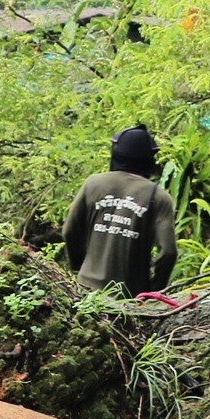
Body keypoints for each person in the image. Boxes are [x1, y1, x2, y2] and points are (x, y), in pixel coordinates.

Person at [62, 126, 178, 296]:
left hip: (85, 289)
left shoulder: (93, 184)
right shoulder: (159, 197)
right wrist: (155, 290)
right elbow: (168, 252)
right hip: (129, 298)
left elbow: (69, 232)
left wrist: (79, 269)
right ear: (150, 158)